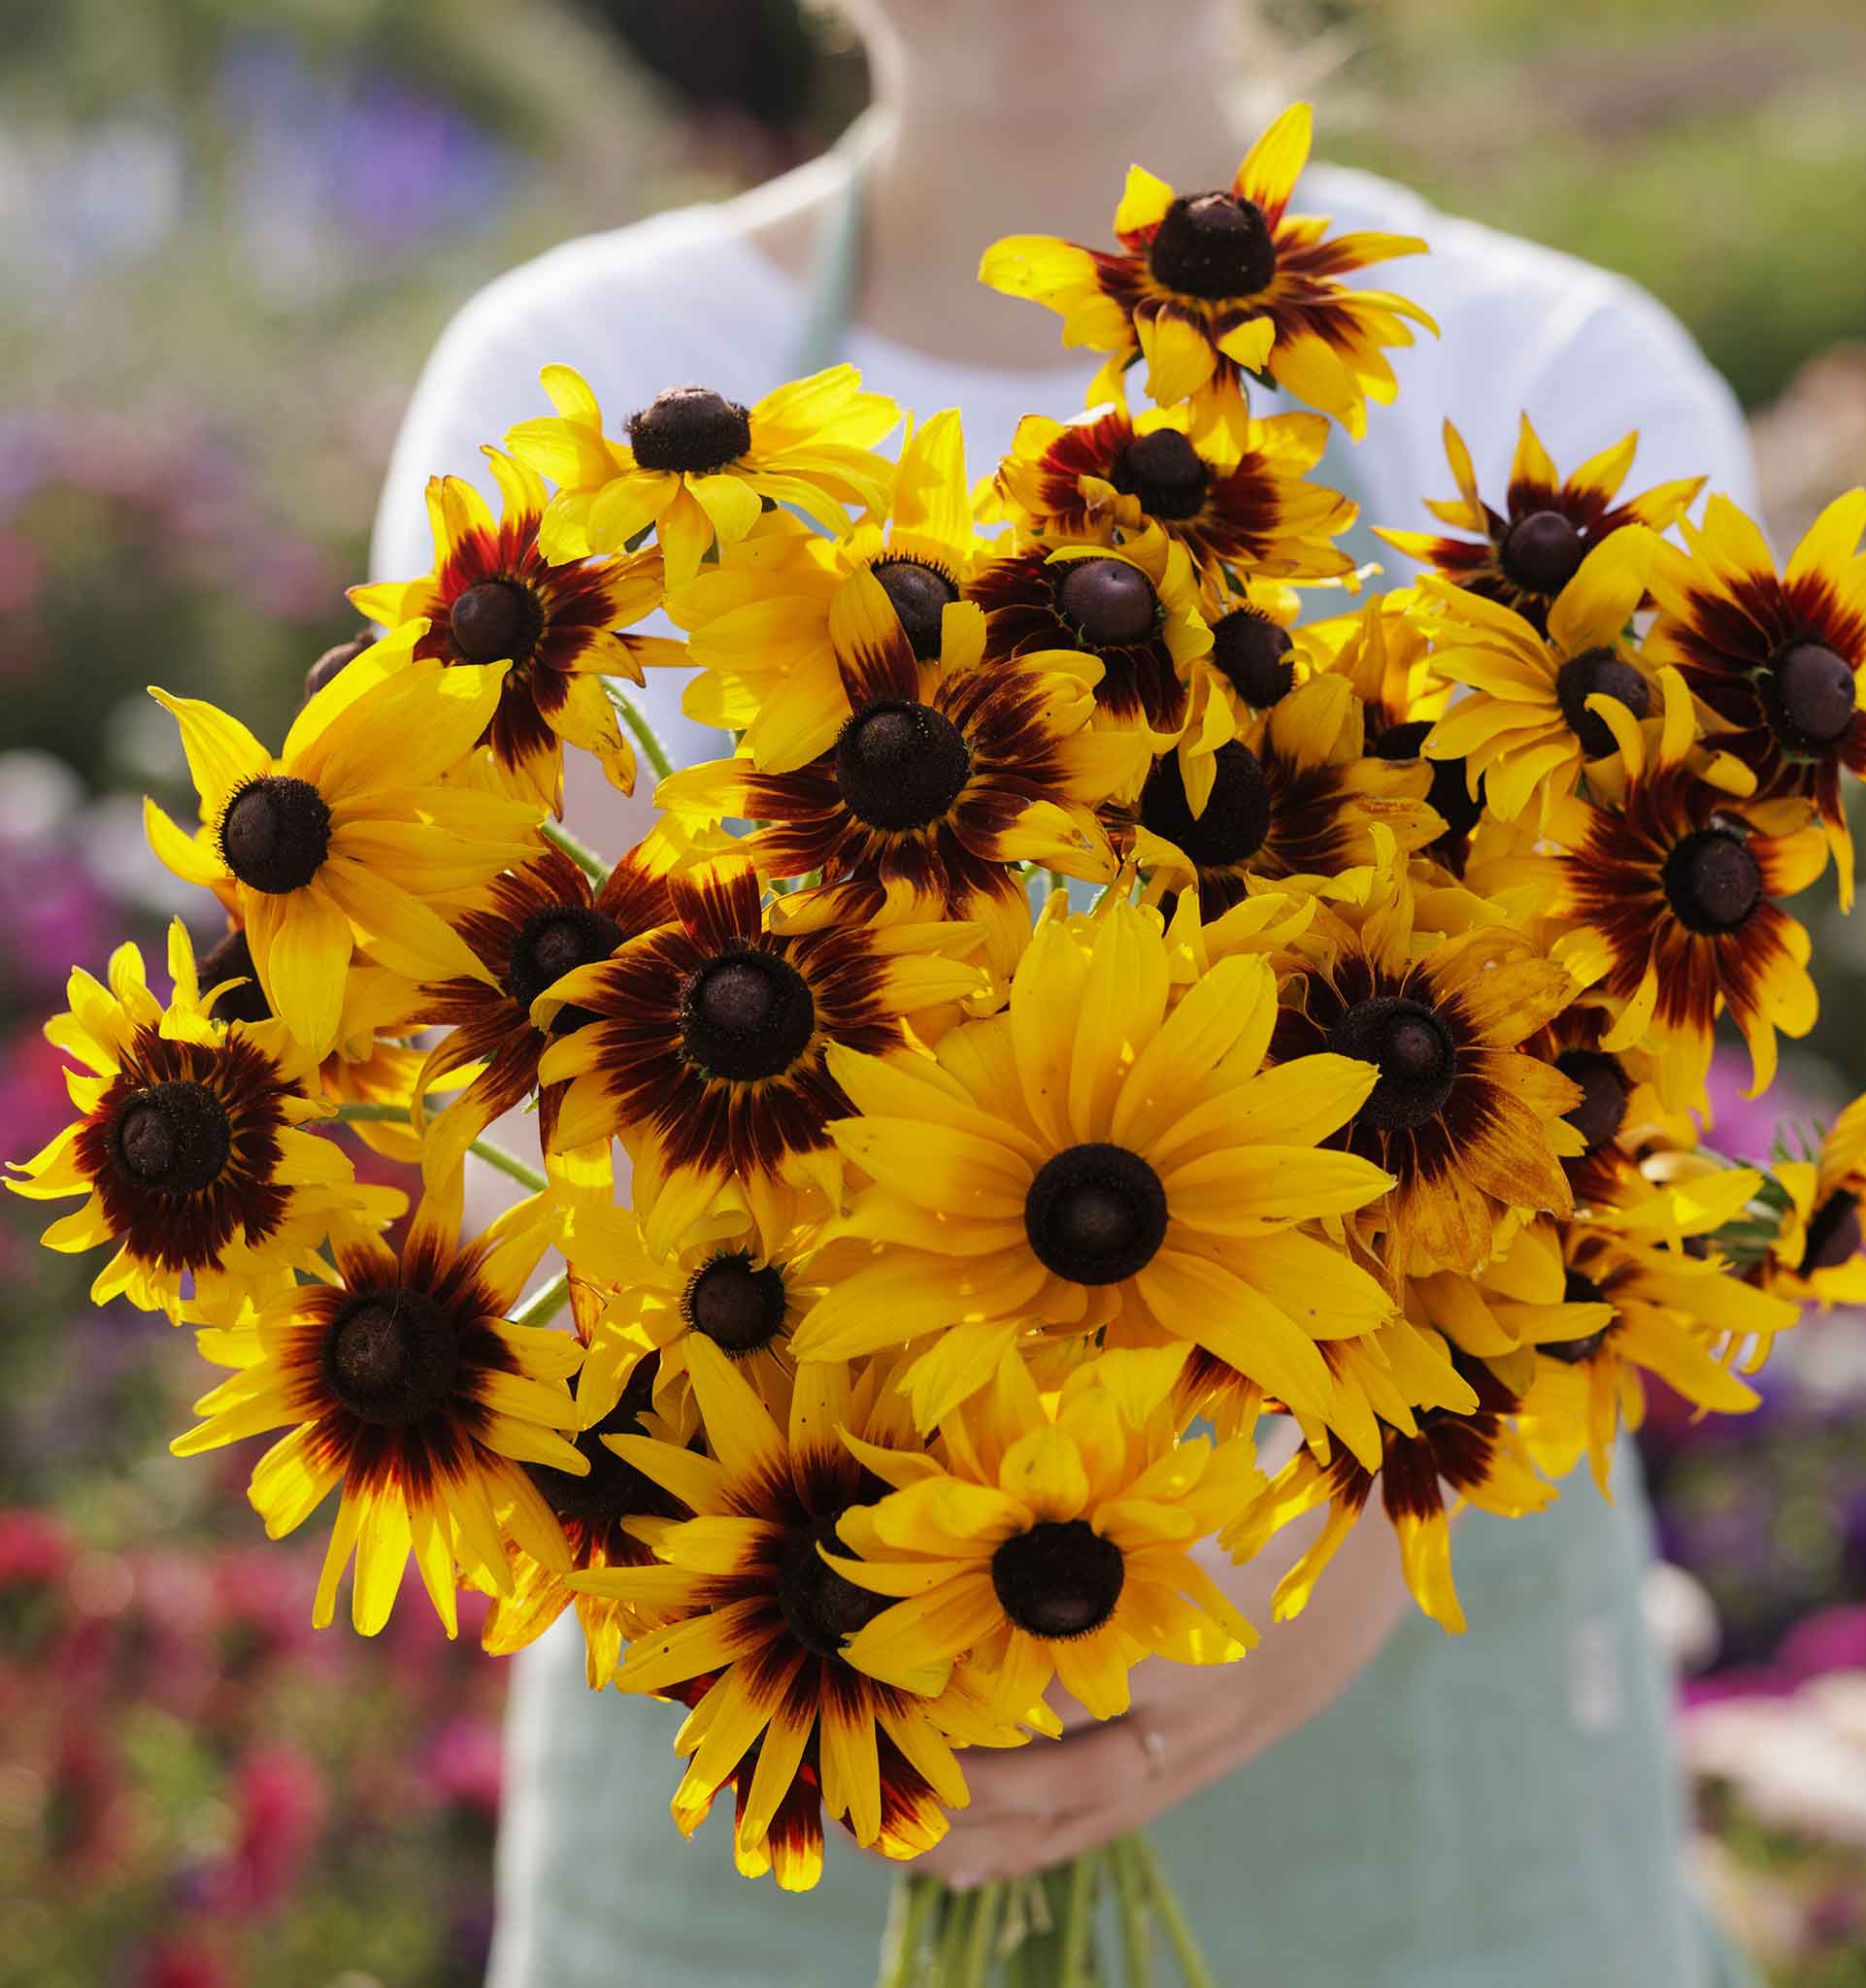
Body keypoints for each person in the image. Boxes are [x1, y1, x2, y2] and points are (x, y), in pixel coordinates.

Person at [369, 4, 1763, 1981]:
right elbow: (509, 1072)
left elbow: (1636, 1091)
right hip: (786, 1641)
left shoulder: (1543, 374)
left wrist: (1350, 1534)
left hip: (1404, 1676)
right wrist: (908, 1557)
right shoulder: (562, 377)